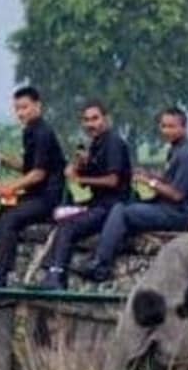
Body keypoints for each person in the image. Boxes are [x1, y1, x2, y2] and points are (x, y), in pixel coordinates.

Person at [81, 107, 188, 281]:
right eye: (163, 126)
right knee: (128, 202)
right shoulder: (175, 150)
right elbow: (170, 180)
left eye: (172, 127)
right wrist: (149, 175)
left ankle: (101, 265)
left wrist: (150, 182)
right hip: (165, 206)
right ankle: (105, 253)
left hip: (178, 213)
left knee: (122, 211)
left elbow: (177, 195)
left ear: (184, 128)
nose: (166, 131)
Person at [36, 99, 133, 289]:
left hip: (111, 206)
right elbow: (88, 181)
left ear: (106, 119)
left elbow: (112, 181)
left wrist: (79, 179)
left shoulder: (113, 142)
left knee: (68, 226)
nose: (90, 124)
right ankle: (50, 267)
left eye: (95, 119)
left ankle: (56, 275)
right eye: (86, 120)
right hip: (97, 202)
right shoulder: (96, 144)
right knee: (60, 214)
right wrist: (80, 167)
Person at [0, 86, 66, 288]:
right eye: (17, 108)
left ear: (38, 106)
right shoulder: (29, 132)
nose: (20, 113)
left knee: (11, 218)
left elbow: (39, 173)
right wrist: (5, 160)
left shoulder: (44, 133)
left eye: (25, 107)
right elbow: (29, 167)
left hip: (48, 198)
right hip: (35, 195)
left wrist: (9, 187)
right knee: (1, 213)